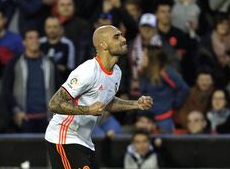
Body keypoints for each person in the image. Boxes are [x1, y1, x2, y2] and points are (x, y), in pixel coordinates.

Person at [45, 25, 153, 169]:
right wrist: (88, 109)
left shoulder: (116, 72)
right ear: (103, 45)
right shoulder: (87, 71)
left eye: (121, 35)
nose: (123, 39)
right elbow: (54, 104)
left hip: (84, 140)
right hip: (64, 137)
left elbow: (105, 103)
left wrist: (135, 104)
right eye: (116, 37)